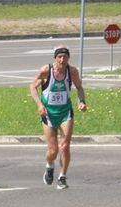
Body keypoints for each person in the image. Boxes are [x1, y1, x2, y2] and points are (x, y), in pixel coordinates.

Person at [29, 45, 87, 189]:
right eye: (60, 57)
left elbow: (79, 88)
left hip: (65, 112)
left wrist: (81, 102)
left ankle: (62, 177)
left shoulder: (72, 71)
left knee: (65, 145)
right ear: (55, 58)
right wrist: (39, 105)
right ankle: (49, 166)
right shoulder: (46, 71)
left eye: (65, 57)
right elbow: (32, 86)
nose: (62, 60)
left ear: (68, 58)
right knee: (53, 150)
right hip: (48, 114)